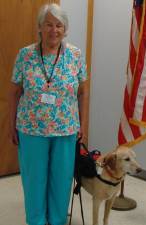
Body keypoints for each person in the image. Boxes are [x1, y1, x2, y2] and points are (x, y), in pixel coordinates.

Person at [9, 3, 88, 225]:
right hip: (31, 129)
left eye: (59, 25)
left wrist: (83, 124)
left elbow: (82, 92)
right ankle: (36, 221)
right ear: (40, 28)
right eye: (49, 24)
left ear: (65, 29)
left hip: (66, 129)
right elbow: (14, 92)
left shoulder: (75, 55)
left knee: (61, 181)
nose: (54, 30)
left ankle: (56, 220)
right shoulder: (25, 55)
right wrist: (10, 125)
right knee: (34, 181)